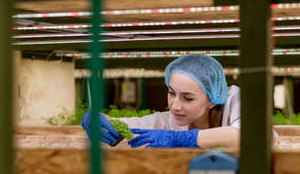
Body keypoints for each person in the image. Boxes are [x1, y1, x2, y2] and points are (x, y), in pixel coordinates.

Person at [82, 54, 275, 149]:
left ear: (213, 99)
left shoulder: (235, 100)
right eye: (171, 93)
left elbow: (263, 137)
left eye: (188, 98)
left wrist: (182, 139)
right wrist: (95, 119)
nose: (175, 105)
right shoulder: (171, 120)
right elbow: (127, 126)